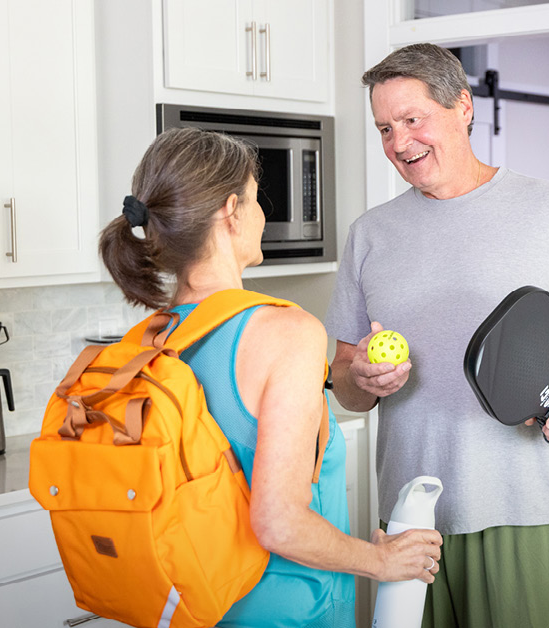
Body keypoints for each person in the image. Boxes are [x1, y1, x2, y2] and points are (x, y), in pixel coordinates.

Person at [325, 44, 549, 627]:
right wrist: (360, 377)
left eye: (412, 120)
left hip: (522, 504)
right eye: (385, 128)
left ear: (463, 107)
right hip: (410, 518)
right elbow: (344, 383)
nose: (399, 143)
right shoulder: (370, 235)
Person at [99, 127, 443, 628]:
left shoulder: (148, 339)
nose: (262, 214)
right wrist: (382, 562)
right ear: (231, 211)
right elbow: (278, 523)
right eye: (258, 200)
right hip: (282, 614)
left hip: (184, 610)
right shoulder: (287, 332)